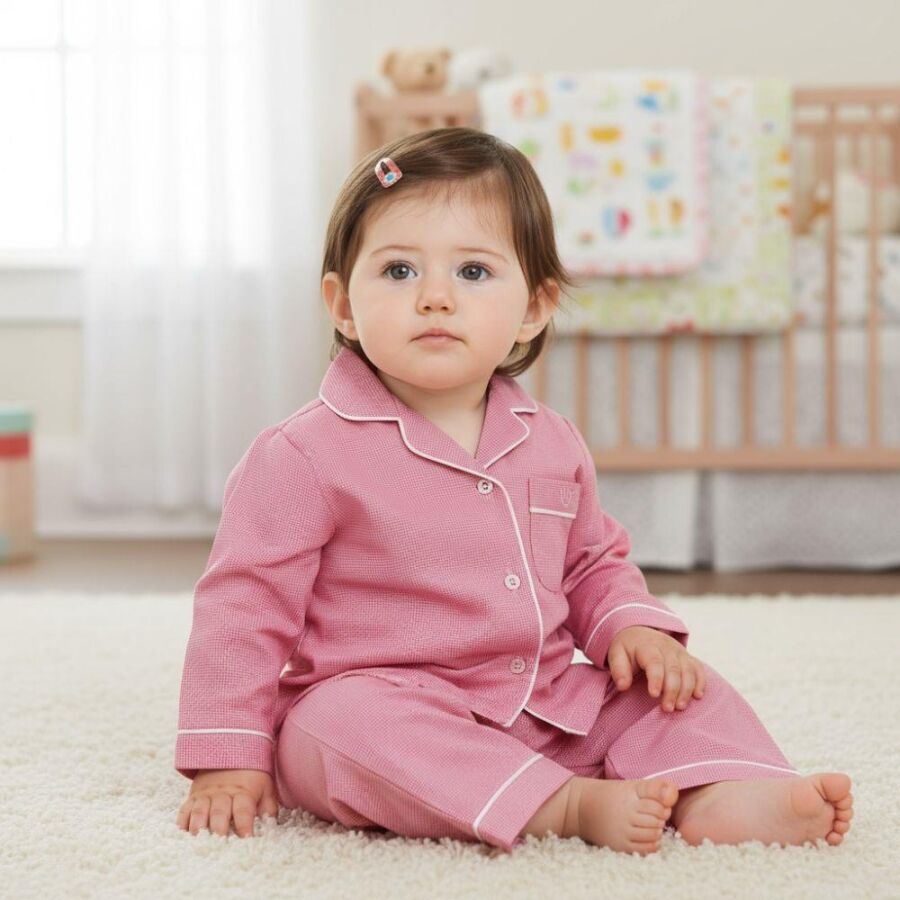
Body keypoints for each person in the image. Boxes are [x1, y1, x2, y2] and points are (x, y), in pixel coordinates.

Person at [174, 127, 853, 853]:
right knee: (333, 728)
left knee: (678, 688)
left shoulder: (550, 440)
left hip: (545, 701)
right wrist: (227, 756)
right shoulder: (301, 454)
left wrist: (633, 630)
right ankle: (564, 805)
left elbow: (590, 562)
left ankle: (720, 791)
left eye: (473, 272)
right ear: (342, 304)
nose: (435, 298)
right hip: (393, 703)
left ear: (534, 306)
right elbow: (243, 607)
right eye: (399, 271)